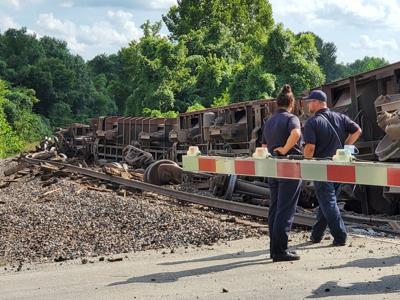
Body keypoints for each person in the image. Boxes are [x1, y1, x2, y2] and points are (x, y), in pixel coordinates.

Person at [303, 90, 362, 246]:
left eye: (309, 102)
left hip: (321, 167)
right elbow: (357, 130)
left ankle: (340, 236)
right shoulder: (340, 117)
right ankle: (316, 235)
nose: (308, 104)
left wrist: (306, 161)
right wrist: (345, 146)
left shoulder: (312, 122)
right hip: (338, 165)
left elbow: (309, 149)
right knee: (328, 201)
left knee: (328, 201)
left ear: (317, 102)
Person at [262, 84, 302, 262]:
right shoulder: (291, 118)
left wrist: (274, 152)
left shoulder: (269, 121)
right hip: (289, 167)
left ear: (277, 104)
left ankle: (274, 248)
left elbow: (263, 147)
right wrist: (285, 149)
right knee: (285, 210)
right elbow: (296, 133)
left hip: (272, 168)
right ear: (291, 104)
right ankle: (280, 251)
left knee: (275, 208)